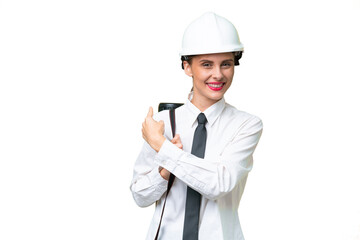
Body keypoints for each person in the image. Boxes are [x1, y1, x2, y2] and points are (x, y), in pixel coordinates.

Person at [130, 12, 263, 240]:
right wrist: (163, 173)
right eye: (206, 64)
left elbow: (218, 184)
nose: (218, 74)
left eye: (226, 64)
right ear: (187, 67)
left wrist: (164, 148)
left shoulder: (246, 125)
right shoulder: (163, 122)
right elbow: (140, 196)